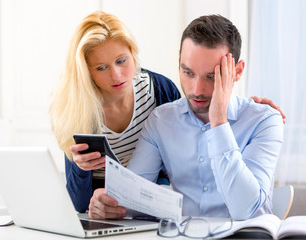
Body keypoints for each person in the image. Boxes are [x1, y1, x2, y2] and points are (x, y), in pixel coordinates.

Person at [87, 14, 284, 221]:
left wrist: (218, 122)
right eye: (187, 72)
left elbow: (246, 210)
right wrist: (108, 204)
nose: (196, 90)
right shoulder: (161, 121)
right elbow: (131, 198)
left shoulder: (264, 120)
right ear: (179, 60)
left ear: (237, 71)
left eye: (211, 77)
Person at [49, 11, 181, 213]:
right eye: (101, 67)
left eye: (122, 61)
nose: (116, 75)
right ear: (86, 72)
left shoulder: (160, 91)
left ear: (133, 53)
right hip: (106, 216)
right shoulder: (78, 107)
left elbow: (182, 167)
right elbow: (79, 204)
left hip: (153, 209)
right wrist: (81, 168)